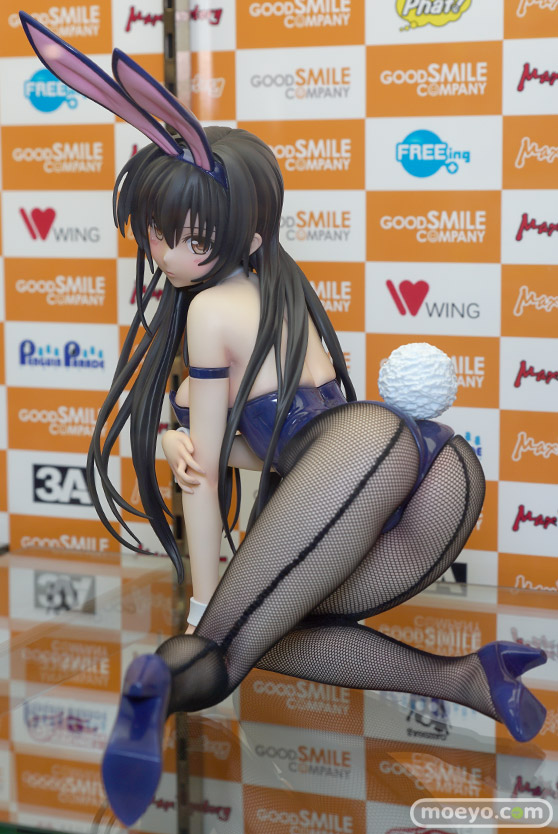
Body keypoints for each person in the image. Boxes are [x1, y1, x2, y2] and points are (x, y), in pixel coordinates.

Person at [18, 12, 547, 827]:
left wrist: (204, 597)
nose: (164, 255)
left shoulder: (208, 312)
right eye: (157, 235)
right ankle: (473, 680)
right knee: (273, 631)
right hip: (437, 474)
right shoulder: (279, 288)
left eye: (186, 240)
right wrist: (184, 439)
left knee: (227, 641)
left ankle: (158, 691)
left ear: (245, 234)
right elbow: (266, 444)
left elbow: (209, 473)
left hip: (363, 458)